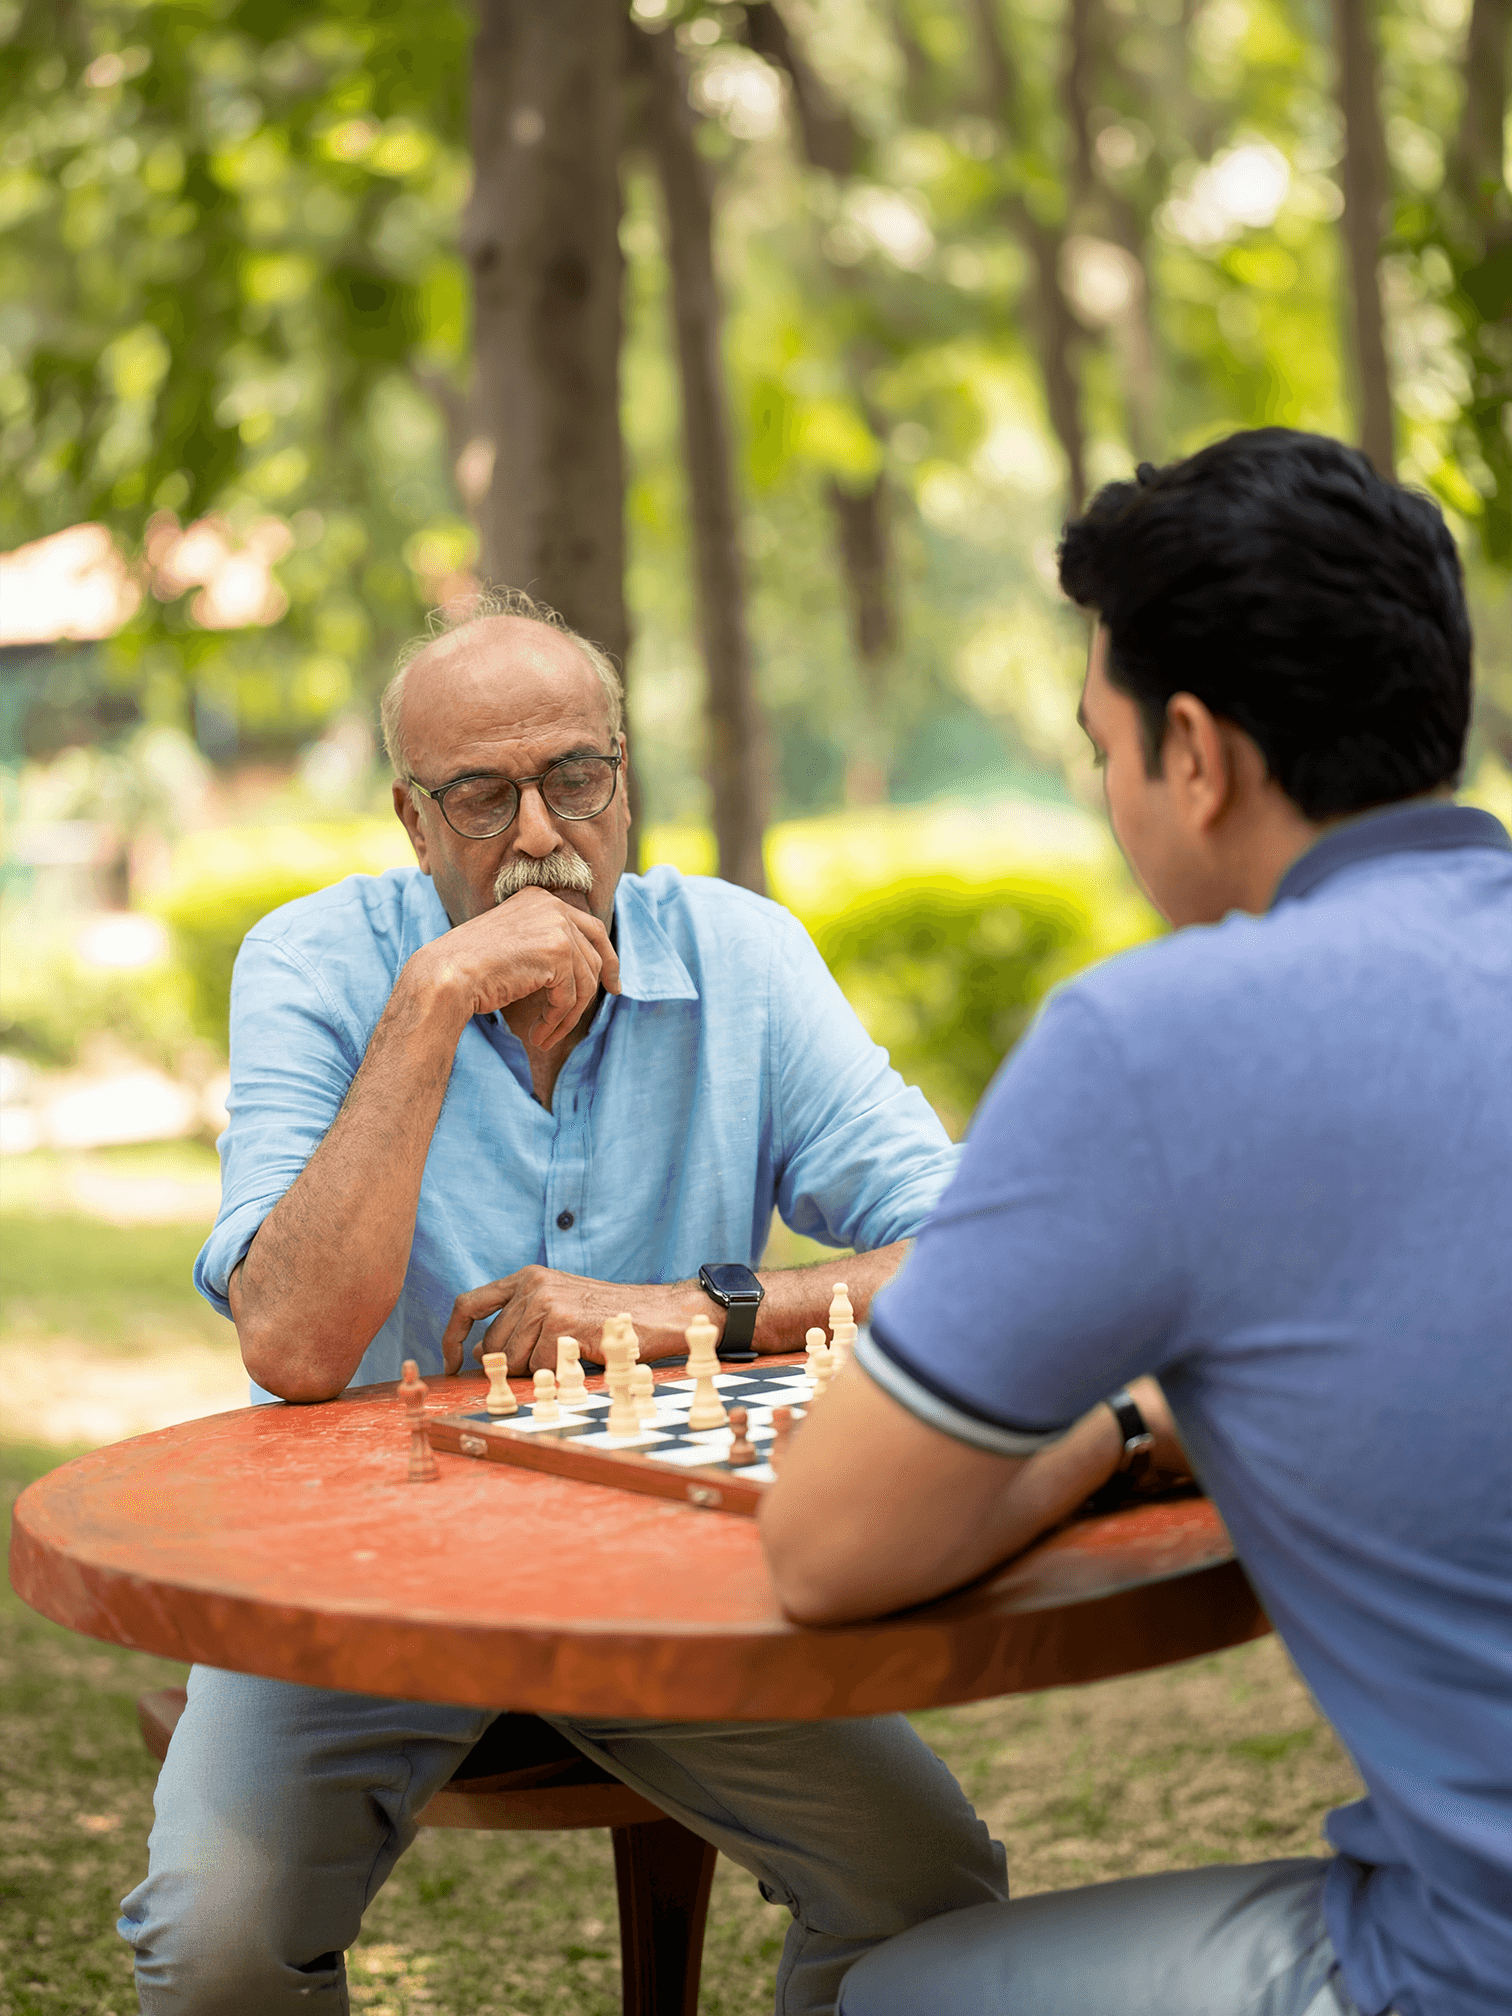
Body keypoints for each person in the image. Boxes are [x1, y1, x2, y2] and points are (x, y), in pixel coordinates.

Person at [119, 590, 1006, 2015]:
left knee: (932, 1896)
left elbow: (989, 1251)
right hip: (354, 1581)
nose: (539, 836)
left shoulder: (743, 959)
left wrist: (700, 1309)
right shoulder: (314, 963)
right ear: (413, 823)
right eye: (480, 797)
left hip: (660, 1573)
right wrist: (428, 1009)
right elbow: (289, 1347)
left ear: (624, 777)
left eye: (573, 780)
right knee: (215, 1946)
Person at [761, 430, 1511, 2016]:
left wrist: (1116, 1418)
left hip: (1466, 1969)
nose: (1106, 791)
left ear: (1193, 750)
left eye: (1101, 744)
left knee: (873, 1998)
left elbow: (829, 1547)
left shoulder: (1162, 1040)